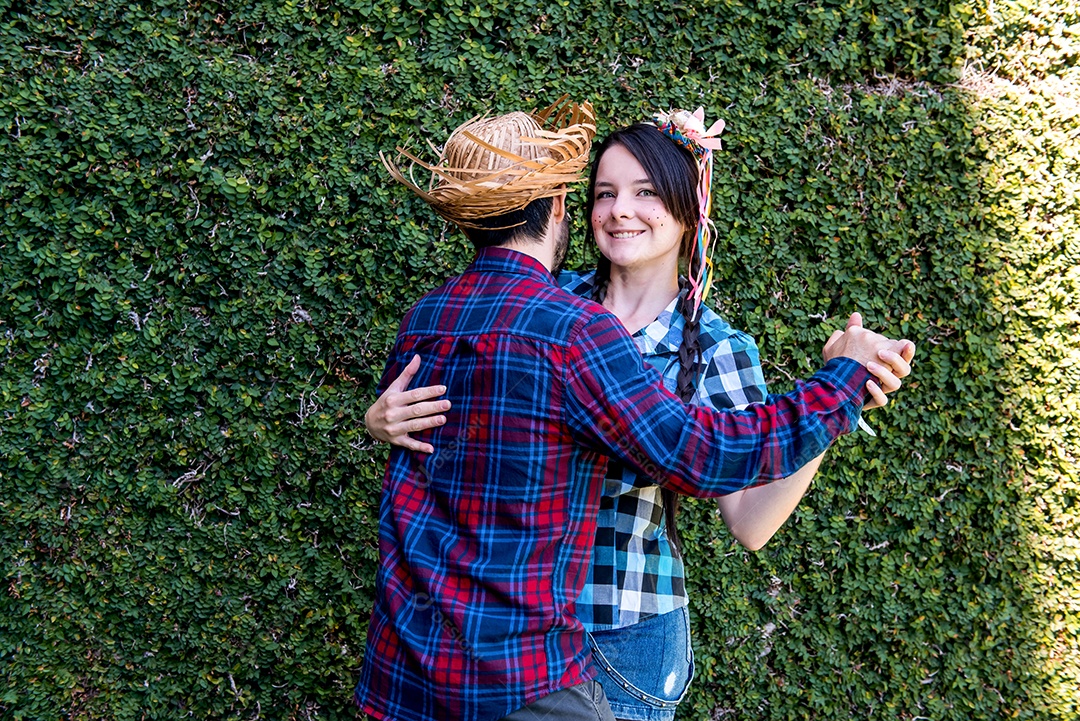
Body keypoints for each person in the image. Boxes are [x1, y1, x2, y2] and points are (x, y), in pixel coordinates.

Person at [354, 96, 914, 721]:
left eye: (645, 192)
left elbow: (751, 521)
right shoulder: (552, 307)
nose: (619, 210)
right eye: (602, 193)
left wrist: (836, 402)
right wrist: (382, 419)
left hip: (619, 628)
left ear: (688, 210)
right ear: (570, 207)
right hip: (506, 633)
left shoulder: (716, 349)